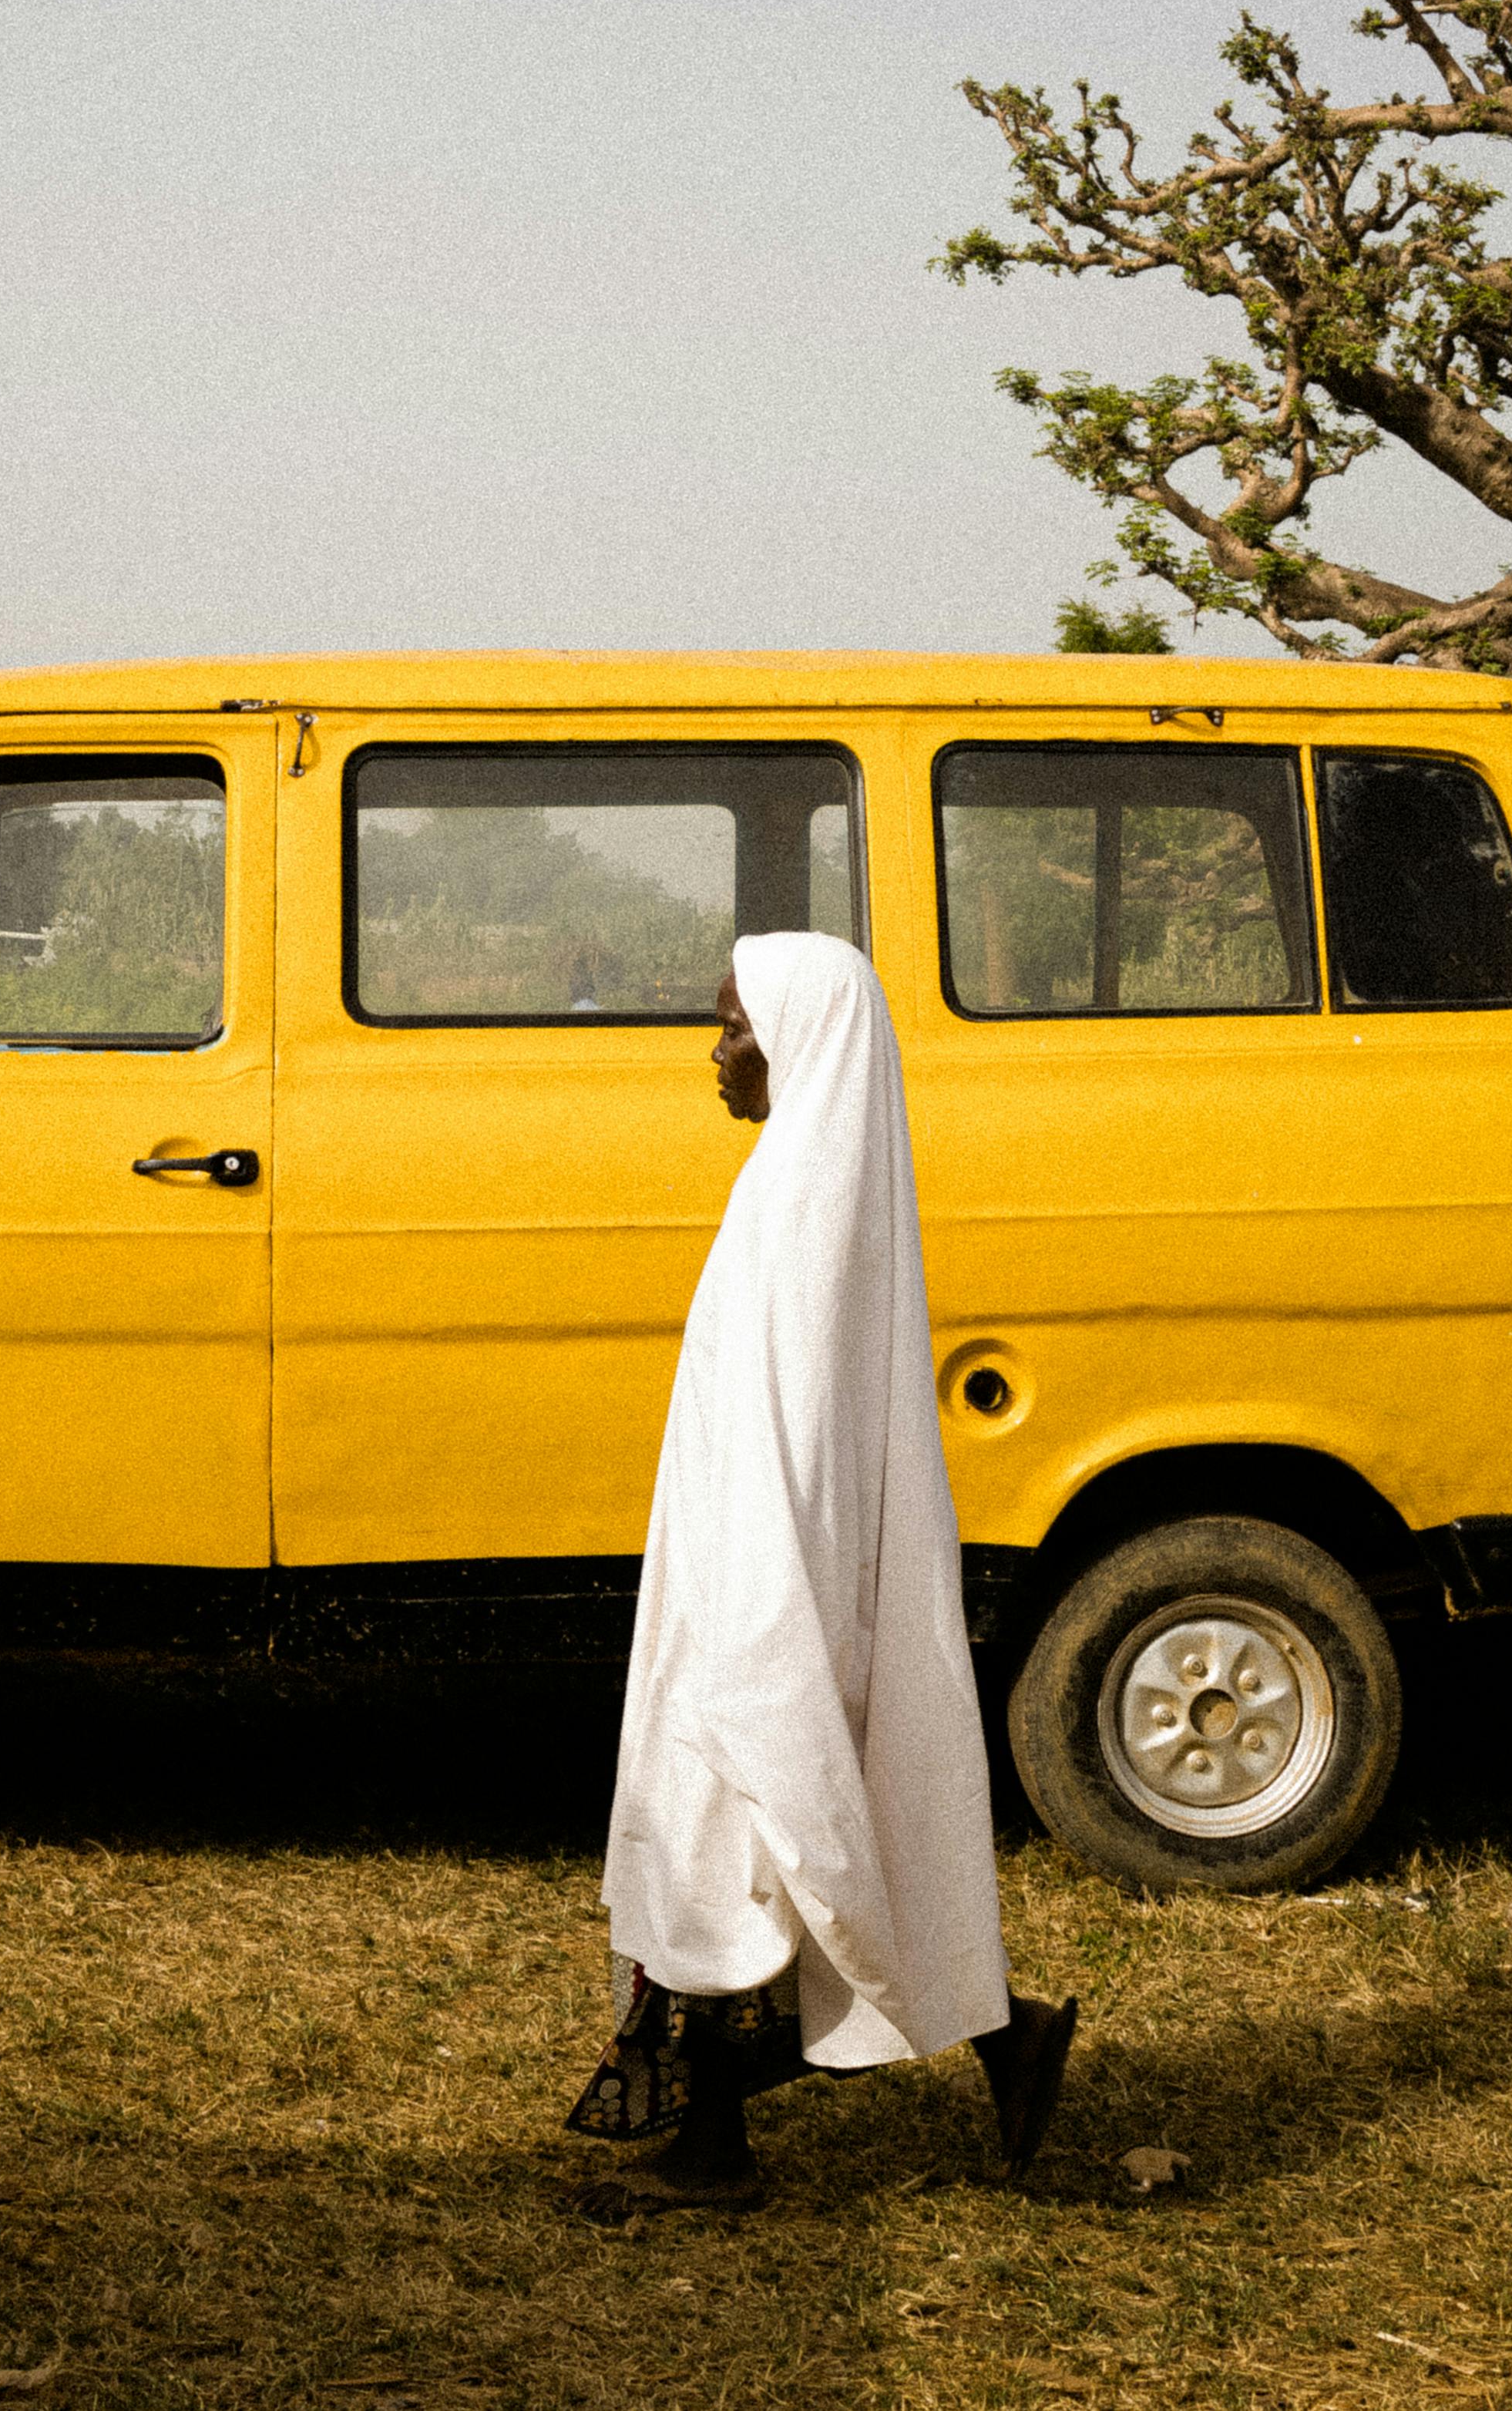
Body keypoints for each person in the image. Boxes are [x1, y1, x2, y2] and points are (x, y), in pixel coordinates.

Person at [568, 932, 1077, 2204]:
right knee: (771, 1851)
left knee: (739, 1846)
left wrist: (753, 1630)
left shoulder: (803, 1217)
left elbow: (786, 1451)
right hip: (755, 1587)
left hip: (762, 1595)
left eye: (735, 1025)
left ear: (799, 1041)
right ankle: (1000, 2037)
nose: (716, 1050)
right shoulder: (804, 1189)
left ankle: (719, 2145)